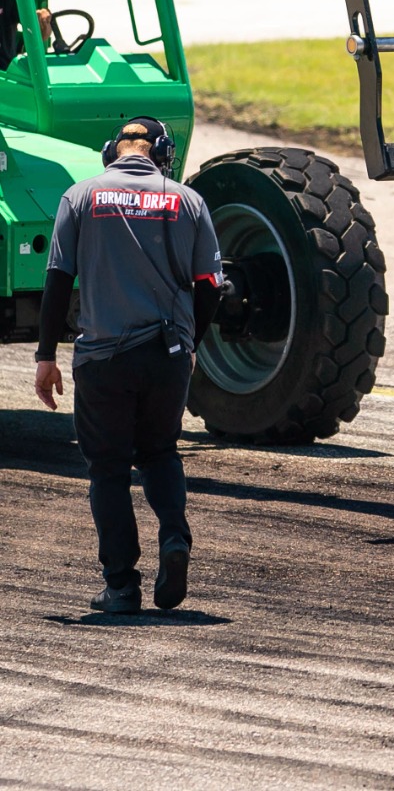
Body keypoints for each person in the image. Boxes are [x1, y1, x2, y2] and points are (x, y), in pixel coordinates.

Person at [33, 117, 223, 614]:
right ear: (161, 153)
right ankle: (175, 539)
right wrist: (191, 344)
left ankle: (121, 587)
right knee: (160, 451)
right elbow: (210, 285)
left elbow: (58, 282)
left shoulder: (80, 196)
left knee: (109, 471)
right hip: (168, 356)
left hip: (102, 359)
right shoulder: (188, 200)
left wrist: (46, 356)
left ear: (111, 151)